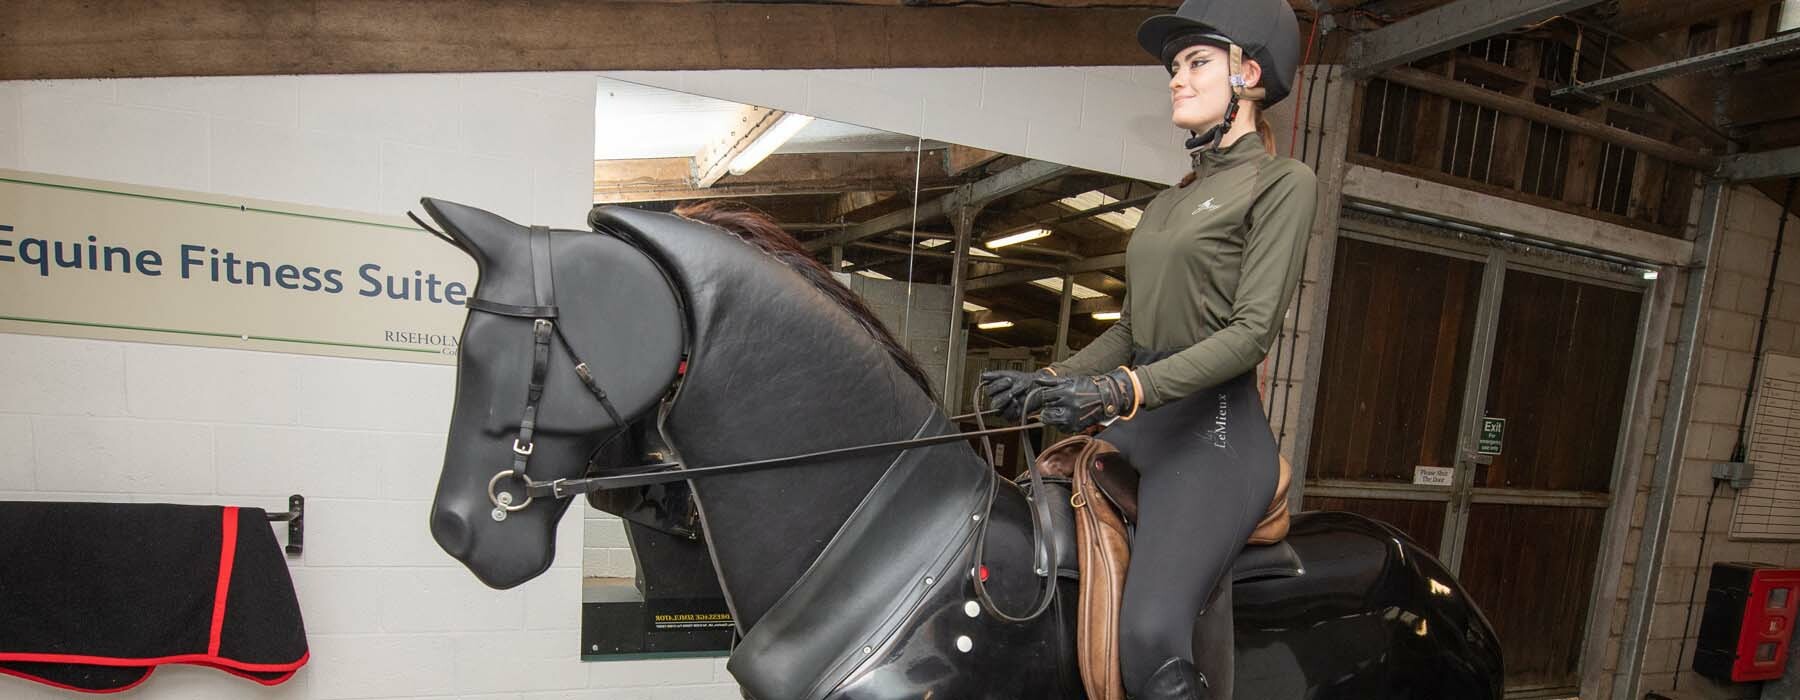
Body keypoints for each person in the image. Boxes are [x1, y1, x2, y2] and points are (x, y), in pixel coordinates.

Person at [979, 2, 1314, 698]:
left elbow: (1250, 334)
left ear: (1248, 74)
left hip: (1215, 437)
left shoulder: (1284, 184)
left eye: (1196, 62)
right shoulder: (1170, 201)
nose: (1175, 79)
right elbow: (1134, 332)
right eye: (1173, 66)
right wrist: (1049, 380)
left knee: (1148, 633)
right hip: (1143, 427)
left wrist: (1121, 390)